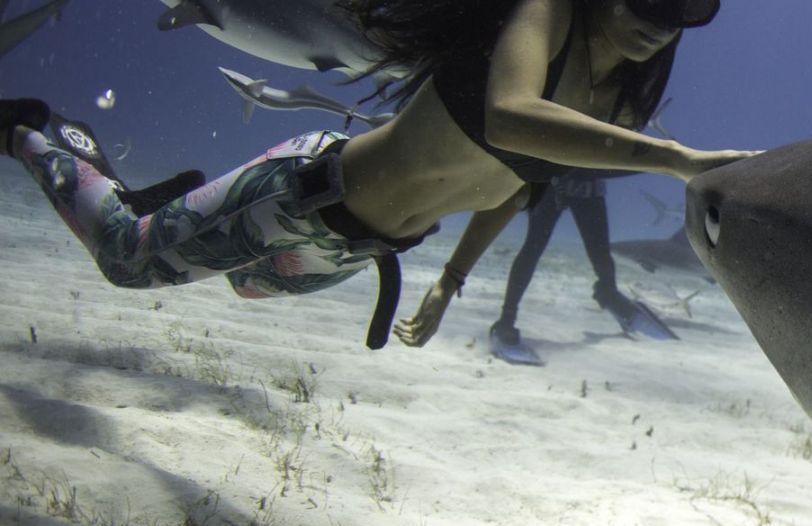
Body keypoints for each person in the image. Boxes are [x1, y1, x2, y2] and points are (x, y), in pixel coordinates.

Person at [0, 0, 753, 349]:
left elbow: (520, 183)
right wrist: (677, 158)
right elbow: (508, 119)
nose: (662, 15)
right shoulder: (544, 15)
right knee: (128, 261)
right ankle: (40, 130)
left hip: (363, 247)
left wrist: (450, 281)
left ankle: (176, 203)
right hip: (306, 195)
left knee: (242, 282)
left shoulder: (619, 98)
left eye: (689, 6)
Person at [487, 168, 680, 368]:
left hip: (588, 182)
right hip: (550, 181)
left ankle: (609, 294)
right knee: (533, 247)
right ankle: (506, 321)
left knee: (600, 253)